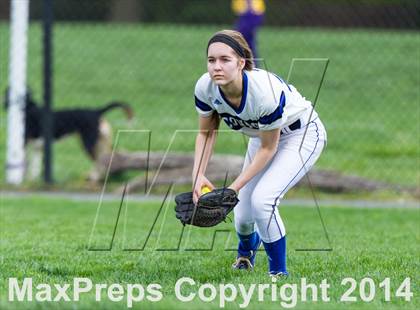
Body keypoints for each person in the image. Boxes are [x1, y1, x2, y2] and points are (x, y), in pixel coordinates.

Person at [192, 30, 327, 277]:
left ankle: (278, 273)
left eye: (225, 59)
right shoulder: (205, 87)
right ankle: (245, 256)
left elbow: (269, 148)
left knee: (263, 201)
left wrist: (233, 188)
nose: (216, 66)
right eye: (211, 60)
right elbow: (207, 133)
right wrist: (198, 175)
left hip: (301, 134)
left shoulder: (262, 93)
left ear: (241, 62)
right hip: (263, 136)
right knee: (243, 213)